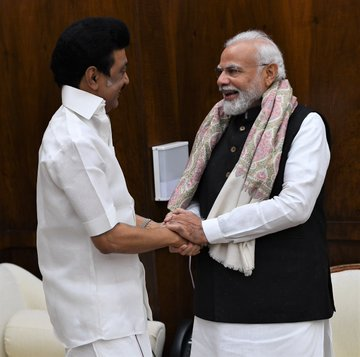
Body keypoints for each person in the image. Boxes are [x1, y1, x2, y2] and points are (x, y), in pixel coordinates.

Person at [165, 30, 335, 357]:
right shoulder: (215, 126)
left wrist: (207, 231)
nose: (222, 80)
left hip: (285, 309)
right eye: (220, 71)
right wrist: (188, 224)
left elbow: (295, 206)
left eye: (234, 71)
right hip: (217, 305)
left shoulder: (306, 123)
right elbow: (202, 196)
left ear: (270, 73)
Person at [36, 17, 199, 357]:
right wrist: (182, 235)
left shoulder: (90, 125)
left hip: (119, 321)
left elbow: (117, 216)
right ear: (93, 77)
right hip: (100, 330)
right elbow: (109, 237)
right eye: (122, 71)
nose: (128, 80)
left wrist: (164, 226)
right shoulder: (73, 138)